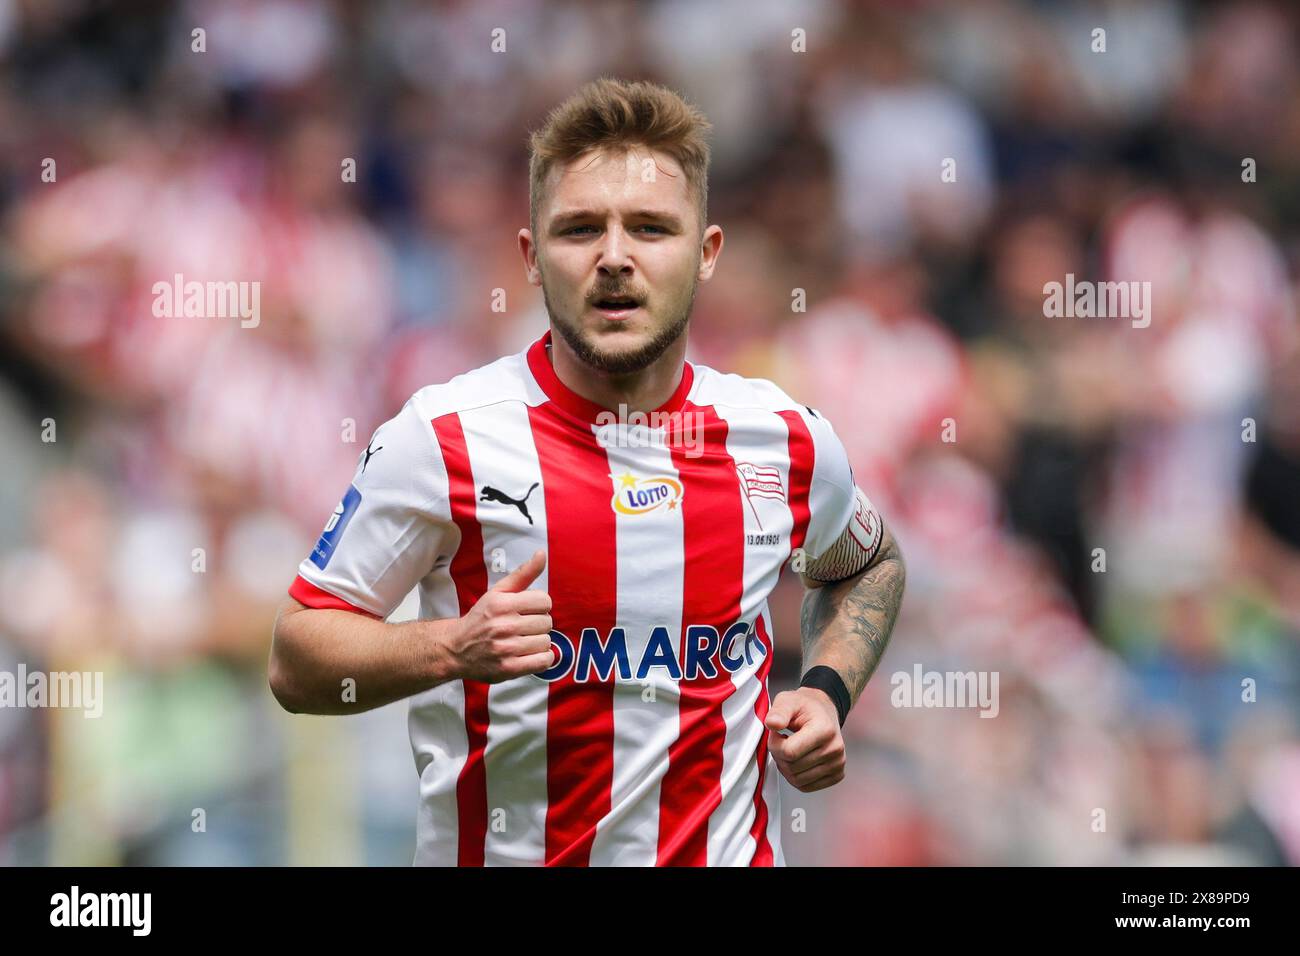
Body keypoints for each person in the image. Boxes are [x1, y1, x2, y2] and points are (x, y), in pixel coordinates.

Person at [268, 77, 905, 866]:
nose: (613, 258)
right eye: (579, 230)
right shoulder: (442, 438)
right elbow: (295, 660)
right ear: (532, 259)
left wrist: (826, 690)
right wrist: (447, 649)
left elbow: (869, 562)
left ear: (706, 254)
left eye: (650, 228)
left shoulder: (781, 439)